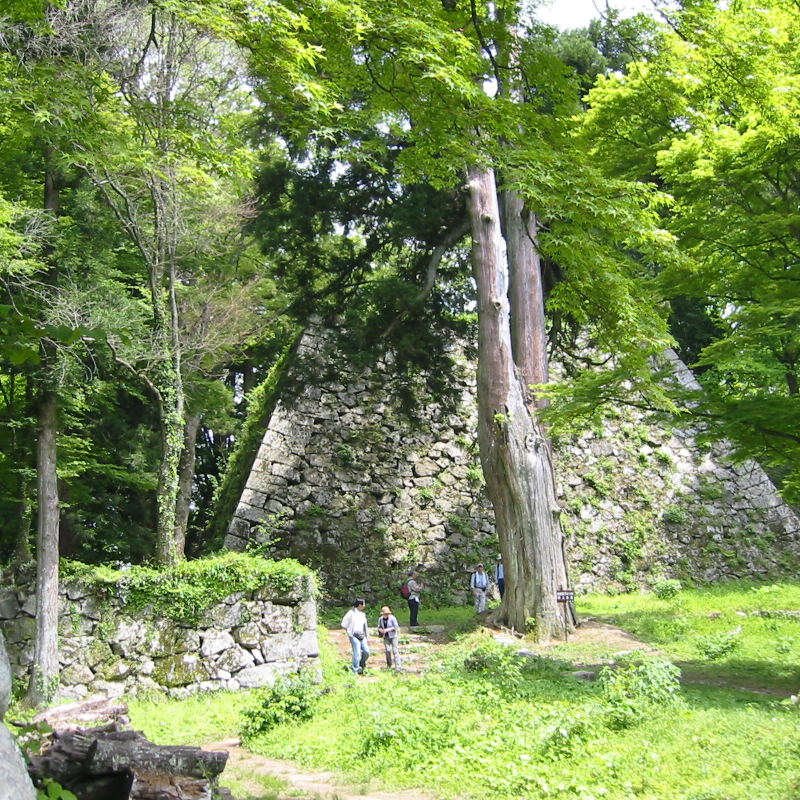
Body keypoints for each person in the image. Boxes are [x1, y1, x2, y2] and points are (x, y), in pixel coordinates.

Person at [341, 599, 370, 674]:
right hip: (354, 635)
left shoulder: (363, 614)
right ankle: (355, 670)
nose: (364, 606)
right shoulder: (351, 613)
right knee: (357, 653)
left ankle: (362, 663)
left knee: (367, 651)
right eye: (363, 604)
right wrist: (349, 632)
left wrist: (367, 635)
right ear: (360, 605)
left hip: (362, 635)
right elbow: (344, 624)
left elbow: (365, 625)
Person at [377, 605, 402, 670]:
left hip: (393, 636)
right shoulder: (380, 619)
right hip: (386, 636)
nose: (386, 615)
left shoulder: (392, 618)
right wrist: (381, 630)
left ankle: (398, 666)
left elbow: (396, 627)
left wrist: (388, 629)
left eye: (387, 613)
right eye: (385, 613)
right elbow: (379, 627)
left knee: (395, 650)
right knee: (387, 650)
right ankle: (389, 664)